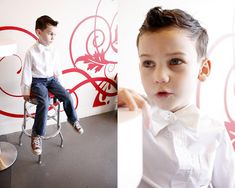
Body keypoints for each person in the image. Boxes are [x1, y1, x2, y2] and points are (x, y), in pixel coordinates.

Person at [118, 6, 235, 188]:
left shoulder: (217, 133)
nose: (160, 77)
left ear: (203, 69)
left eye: (175, 61)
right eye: (148, 63)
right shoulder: (130, 117)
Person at [21, 15, 84, 156]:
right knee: (44, 100)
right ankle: (36, 135)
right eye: (50, 34)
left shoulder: (54, 50)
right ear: (38, 32)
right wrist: (26, 89)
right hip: (37, 81)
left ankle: (73, 120)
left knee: (67, 95)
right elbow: (26, 71)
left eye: (55, 34)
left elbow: (57, 69)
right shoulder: (31, 51)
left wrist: (59, 86)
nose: (53, 37)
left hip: (52, 80)